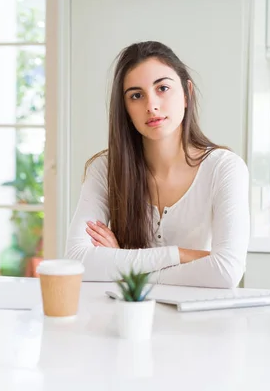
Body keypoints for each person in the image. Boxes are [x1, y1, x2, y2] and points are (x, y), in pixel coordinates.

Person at [64, 41, 249, 288]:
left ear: (187, 94)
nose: (151, 105)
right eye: (136, 95)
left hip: (198, 323)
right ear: (125, 107)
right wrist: (181, 255)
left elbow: (226, 272)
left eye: (162, 88)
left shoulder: (225, 168)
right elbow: (78, 262)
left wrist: (122, 267)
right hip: (123, 317)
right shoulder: (104, 169)